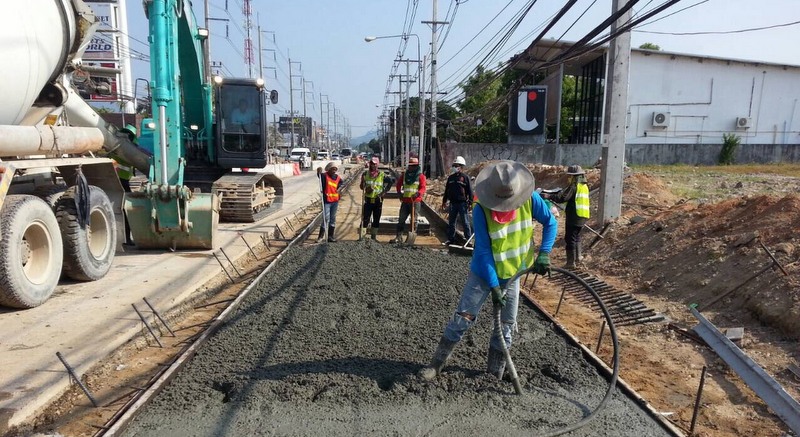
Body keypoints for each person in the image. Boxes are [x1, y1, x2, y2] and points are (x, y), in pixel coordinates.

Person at [420, 160, 557, 381]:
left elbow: (551, 223)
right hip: (484, 274)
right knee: (463, 317)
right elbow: (483, 250)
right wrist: (493, 285)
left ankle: (494, 373)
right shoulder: (481, 208)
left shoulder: (530, 199)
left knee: (506, 327)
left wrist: (544, 252)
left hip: (513, 275)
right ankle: (436, 365)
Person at [542, 165, 590, 269]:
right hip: (582, 216)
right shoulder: (584, 186)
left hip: (574, 216)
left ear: (574, 176)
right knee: (576, 237)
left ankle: (570, 263)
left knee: (570, 239)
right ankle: (578, 258)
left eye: (570, 176)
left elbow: (563, 197)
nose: (568, 178)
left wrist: (549, 196)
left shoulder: (574, 186)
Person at [392, 157, 426, 243]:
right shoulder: (404, 176)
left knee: (414, 220)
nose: (411, 167)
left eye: (413, 166)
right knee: (401, 219)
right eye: (410, 165)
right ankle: (399, 237)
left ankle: (411, 237)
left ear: (417, 166)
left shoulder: (421, 176)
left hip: (415, 202)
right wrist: (399, 193)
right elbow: (398, 185)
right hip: (405, 201)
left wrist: (418, 193)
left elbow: (423, 188)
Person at [359, 157, 393, 240]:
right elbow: (361, 187)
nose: (373, 165)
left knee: (376, 219)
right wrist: (363, 184)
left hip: (378, 200)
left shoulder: (382, 175)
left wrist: (383, 192)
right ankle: (362, 237)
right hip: (368, 200)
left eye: (374, 164)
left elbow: (390, 182)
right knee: (365, 218)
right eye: (371, 163)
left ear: (377, 164)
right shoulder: (365, 174)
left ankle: (373, 238)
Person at [442, 156, 473, 245]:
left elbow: (470, 191)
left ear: (461, 167)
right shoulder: (450, 178)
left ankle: (468, 239)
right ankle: (451, 239)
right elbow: (447, 190)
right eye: (454, 165)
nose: (455, 167)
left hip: (462, 204)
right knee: (451, 222)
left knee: (465, 222)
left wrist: (470, 202)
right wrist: (444, 201)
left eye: (457, 165)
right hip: (453, 203)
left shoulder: (465, 178)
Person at [318, 162, 341, 243]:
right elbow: (320, 177)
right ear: (329, 169)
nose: (334, 171)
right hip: (327, 200)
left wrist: (338, 189)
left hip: (335, 201)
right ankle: (320, 237)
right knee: (326, 218)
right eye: (332, 169)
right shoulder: (324, 176)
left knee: (332, 218)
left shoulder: (337, 178)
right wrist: (318, 172)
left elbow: (340, 183)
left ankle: (330, 236)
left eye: (335, 169)